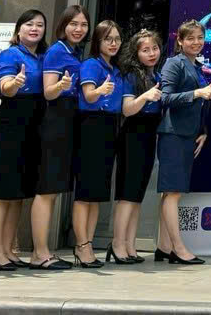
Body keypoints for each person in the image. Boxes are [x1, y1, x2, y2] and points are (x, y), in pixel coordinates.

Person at [0, 8, 47, 271]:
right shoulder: (10, 54)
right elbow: (6, 89)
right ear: (19, 29)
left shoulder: (43, 56)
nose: (34, 29)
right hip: (9, 128)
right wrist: (16, 82)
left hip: (33, 128)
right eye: (29, 24)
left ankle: (9, 249)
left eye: (39, 25)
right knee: (0, 192)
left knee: (17, 193)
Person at [31, 5, 89, 270]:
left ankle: (44, 251)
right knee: (46, 190)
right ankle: (39, 253)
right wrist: (61, 86)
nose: (78, 29)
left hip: (68, 121)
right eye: (73, 24)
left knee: (53, 190)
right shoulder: (56, 51)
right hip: (55, 121)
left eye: (83, 24)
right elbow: (48, 92)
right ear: (63, 25)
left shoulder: (74, 51)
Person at [156, 20, 211, 265]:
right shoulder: (174, 63)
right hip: (173, 135)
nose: (196, 42)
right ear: (180, 41)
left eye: (200, 37)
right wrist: (197, 93)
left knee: (172, 193)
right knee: (172, 192)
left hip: (187, 134)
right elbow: (165, 98)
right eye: (190, 38)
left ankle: (164, 247)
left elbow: (198, 103)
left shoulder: (195, 65)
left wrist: (203, 130)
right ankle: (178, 249)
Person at [112, 29, 164, 263]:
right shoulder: (132, 76)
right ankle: (117, 244)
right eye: (145, 50)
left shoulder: (157, 75)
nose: (152, 53)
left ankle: (130, 245)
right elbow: (127, 109)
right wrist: (146, 96)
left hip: (149, 135)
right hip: (133, 134)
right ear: (136, 53)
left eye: (155, 48)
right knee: (127, 193)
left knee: (137, 194)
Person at [76, 20, 123, 266]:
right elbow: (89, 95)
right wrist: (101, 90)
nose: (113, 43)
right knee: (85, 192)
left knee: (96, 193)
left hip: (109, 127)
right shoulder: (91, 64)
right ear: (98, 41)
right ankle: (81, 245)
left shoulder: (115, 68)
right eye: (108, 39)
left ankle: (89, 243)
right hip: (91, 126)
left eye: (117, 39)